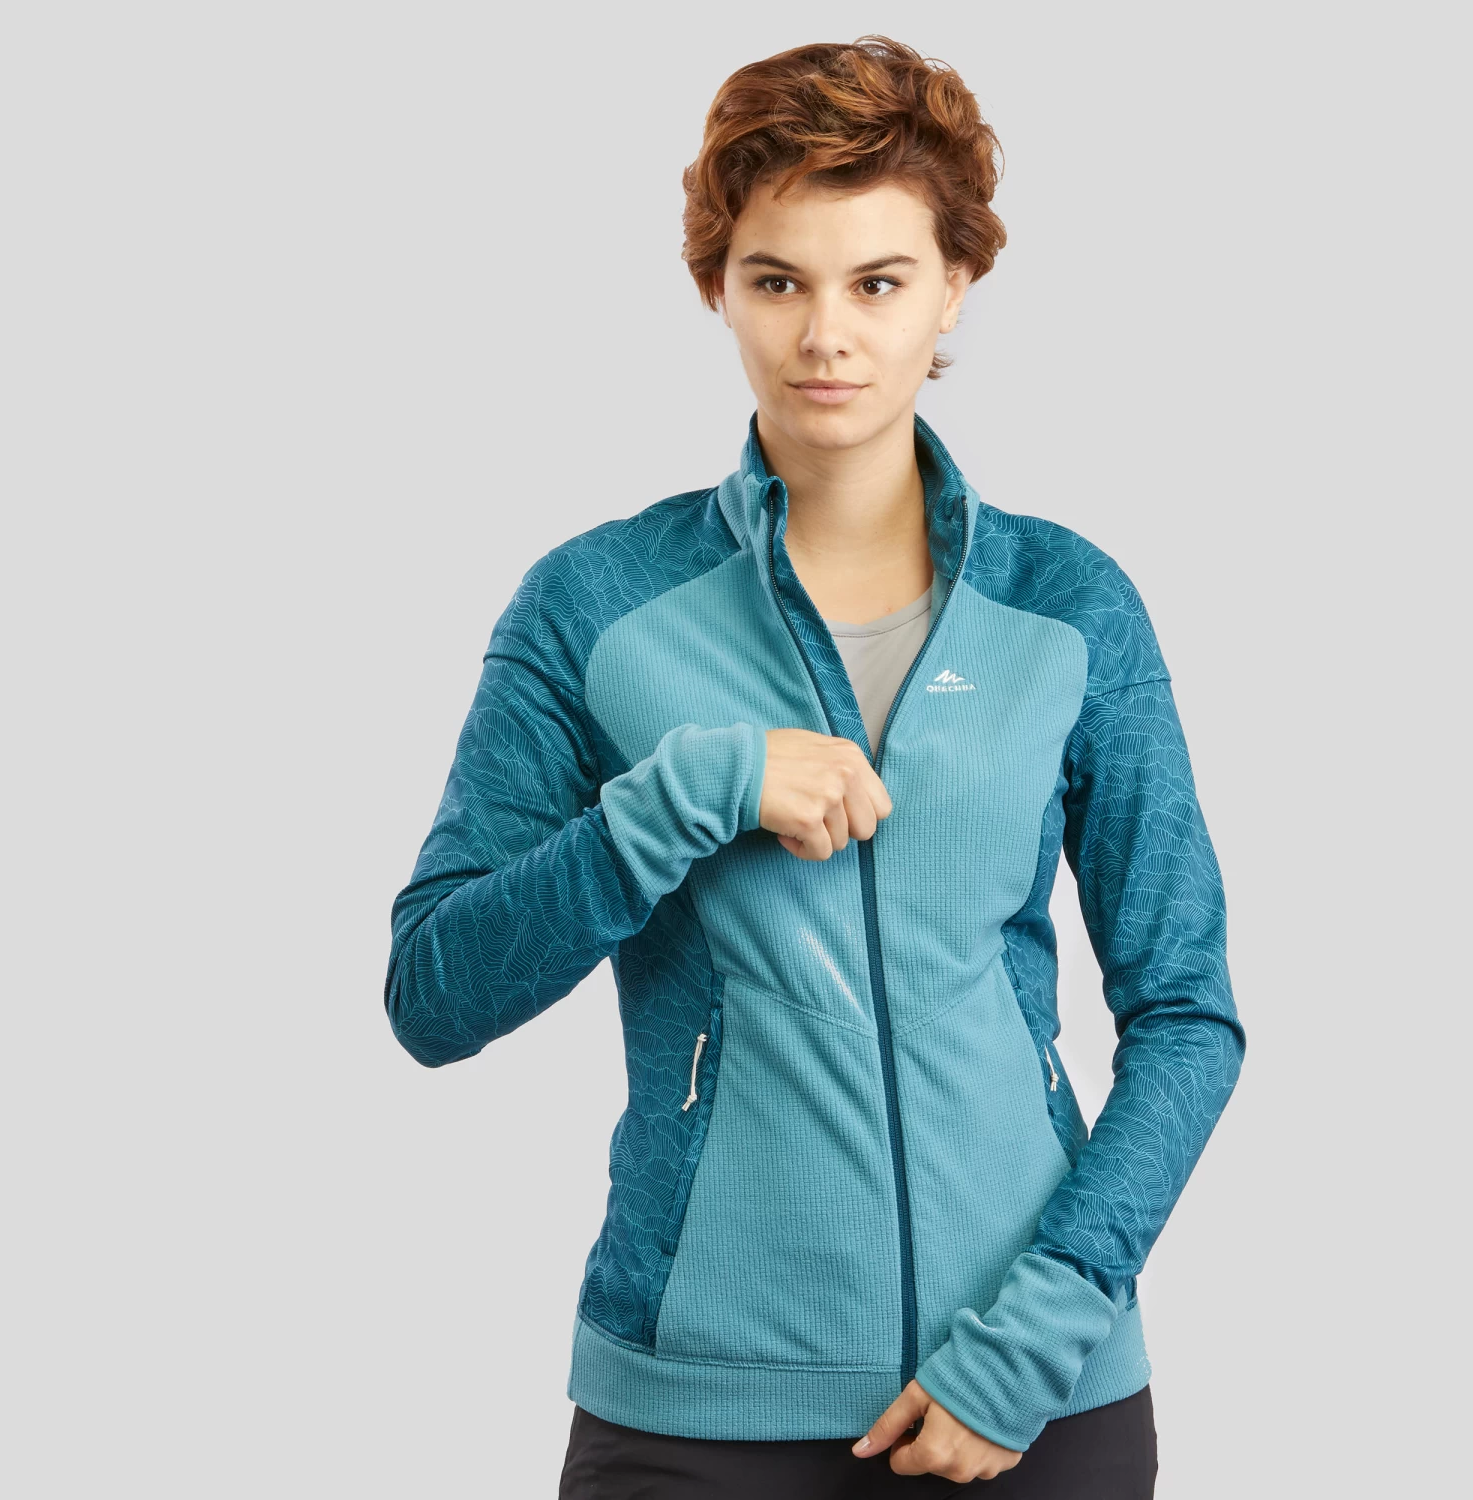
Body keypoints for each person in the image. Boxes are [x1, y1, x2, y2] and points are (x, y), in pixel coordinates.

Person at [384, 35, 1245, 1499]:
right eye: (777, 281)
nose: (826, 336)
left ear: (955, 284)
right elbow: (434, 993)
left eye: (879, 283)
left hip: (1030, 1403)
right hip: (694, 1409)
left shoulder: (1069, 607)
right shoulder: (594, 605)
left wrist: (1037, 1338)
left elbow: (1186, 1014)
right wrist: (678, 800)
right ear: (716, 286)